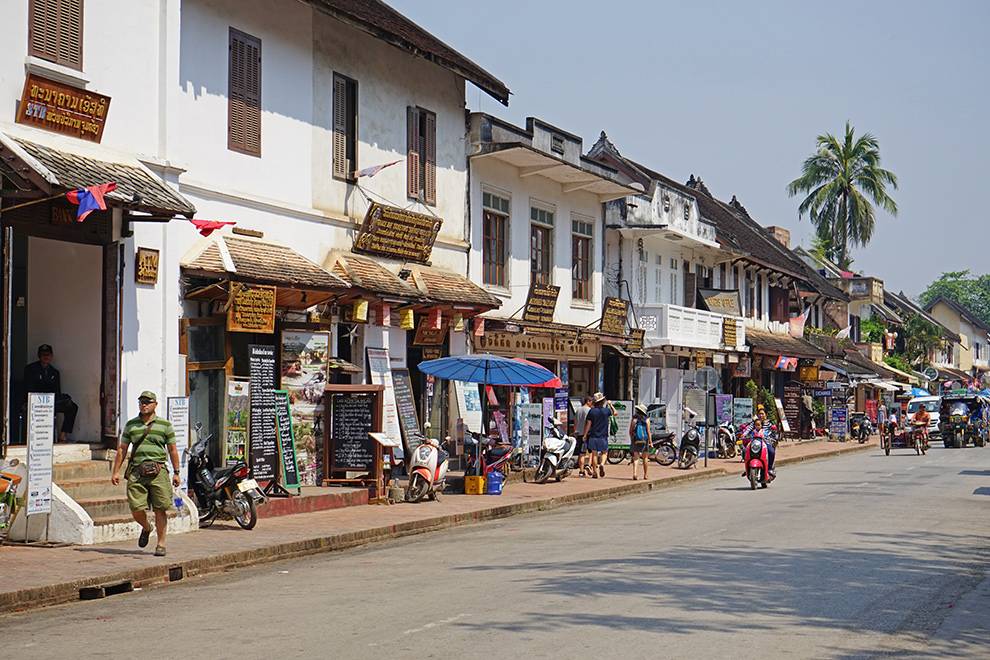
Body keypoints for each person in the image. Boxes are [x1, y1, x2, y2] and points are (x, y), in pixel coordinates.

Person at [110, 391, 181, 557]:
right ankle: (147, 527)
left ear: (155, 404)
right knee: (136, 507)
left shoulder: (165, 425)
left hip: (159, 471)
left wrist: (177, 473)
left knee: (160, 509)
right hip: (137, 471)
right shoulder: (131, 425)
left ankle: (161, 544)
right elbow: (122, 449)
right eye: (141, 401)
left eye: (148, 402)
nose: (144, 404)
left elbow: (172, 450)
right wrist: (116, 472)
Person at [23, 344, 78, 443]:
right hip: (35, 402)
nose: (46, 357)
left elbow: (57, 391)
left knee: (72, 406)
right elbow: (29, 388)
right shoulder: (31, 369)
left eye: (48, 355)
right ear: (39, 356)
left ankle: (63, 435)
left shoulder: (54, 372)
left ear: (51, 356)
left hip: (50, 402)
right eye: (43, 355)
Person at [583, 392, 615, 479]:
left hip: (593, 435)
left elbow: (588, 424)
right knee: (604, 452)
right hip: (603, 435)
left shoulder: (592, 411)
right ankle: (602, 464)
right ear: (603, 401)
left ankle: (595, 472)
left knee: (594, 454)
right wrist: (611, 405)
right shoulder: (606, 411)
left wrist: (585, 434)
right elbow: (615, 413)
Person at [629, 404, 651, 480]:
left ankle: (635, 473)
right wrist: (650, 442)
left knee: (636, 457)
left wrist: (632, 439)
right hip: (645, 440)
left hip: (636, 439)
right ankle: (645, 475)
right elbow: (648, 431)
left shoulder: (634, 419)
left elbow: (630, 431)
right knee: (645, 458)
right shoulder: (647, 420)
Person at [573, 395, 593, 477]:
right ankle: (588, 464)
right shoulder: (589, 410)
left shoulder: (578, 410)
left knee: (581, 453)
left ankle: (581, 471)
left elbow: (575, 422)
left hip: (579, 433)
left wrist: (575, 431)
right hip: (587, 433)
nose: (592, 404)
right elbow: (589, 423)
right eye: (591, 402)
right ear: (588, 401)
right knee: (591, 451)